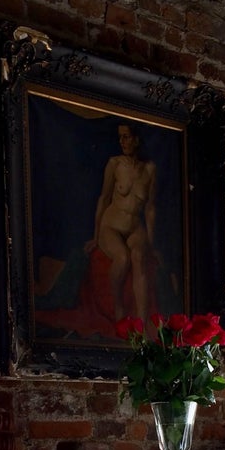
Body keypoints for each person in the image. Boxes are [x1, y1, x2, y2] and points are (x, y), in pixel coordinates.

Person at [85, 122, 160, 324]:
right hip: (111, 225)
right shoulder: (115, 164)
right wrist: (95, 236)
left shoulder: (150, 169)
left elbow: (150, 208)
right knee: (122, 257)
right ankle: (118, 306)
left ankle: (142, 322)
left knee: (139, 256)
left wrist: (151, 243)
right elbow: (104, 198)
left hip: (135, 226)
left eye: (126, 136)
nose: (122, 141)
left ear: (137, 139)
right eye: (120, 137)